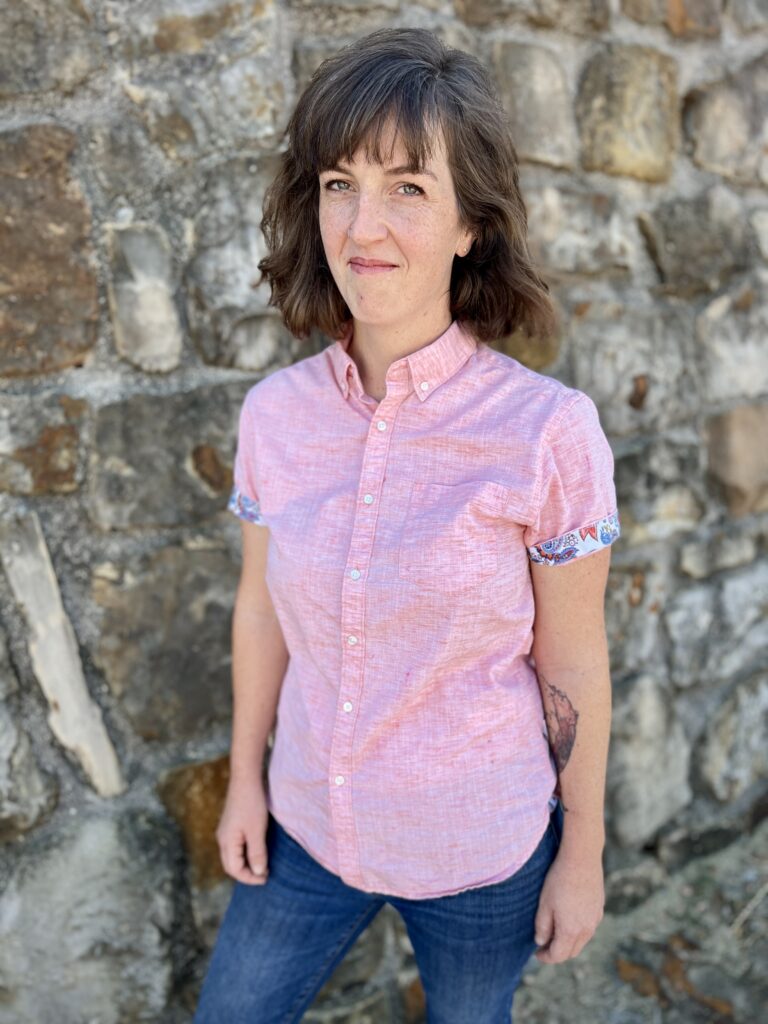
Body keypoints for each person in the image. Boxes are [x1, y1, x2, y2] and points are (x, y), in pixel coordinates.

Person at [194, 25, 621, 1024]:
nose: (362, 226)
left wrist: (584, 849)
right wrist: (244, 782)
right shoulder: (277, 416)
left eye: (408, 189)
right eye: (339, 183)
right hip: (305, 827)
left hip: (482, 851)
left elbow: (573, 663)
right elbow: (261, 611)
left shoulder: (547, 434)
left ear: (472, 223)